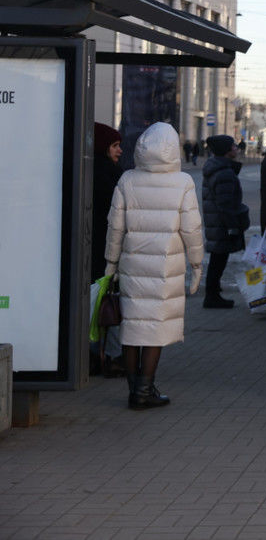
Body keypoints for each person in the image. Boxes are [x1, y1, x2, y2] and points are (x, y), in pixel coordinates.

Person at [103, 122, 204, 410]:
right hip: (165, 268)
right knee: (155, 329)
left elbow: (115, 228)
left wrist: (111, 263)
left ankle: (136, 389)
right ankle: (144, 391)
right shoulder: (183, 182)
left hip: (131, 265)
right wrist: (197, 265)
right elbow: (192, 230)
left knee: (133, 328)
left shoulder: (127, 179)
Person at [90, 122, 126, 377]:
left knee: (97, 304)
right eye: (114, 145)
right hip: (104, 252)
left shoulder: (95, 171)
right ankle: (110, 357)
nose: (119, 151)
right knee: (109, 305)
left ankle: (95, 356)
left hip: (96, 251)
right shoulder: (107, 176)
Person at [201, 134, 250, 309]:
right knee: (218, 260)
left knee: (218, 259)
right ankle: (212, 295)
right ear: (227, 150)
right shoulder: (224, 173)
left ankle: (213, 293)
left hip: (216, 222)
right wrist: (233, 226)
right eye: (234, 146)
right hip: (222, 224)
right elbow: (226, 203)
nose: (236, 149)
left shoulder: (217, 168)